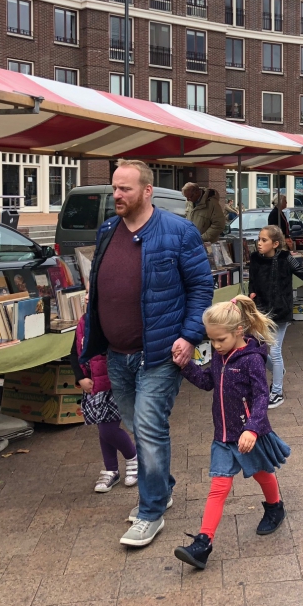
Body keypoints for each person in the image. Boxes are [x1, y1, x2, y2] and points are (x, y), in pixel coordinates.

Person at [81, 159, 214, 548]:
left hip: (158, 353)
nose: (117, 196)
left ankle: (150, 512)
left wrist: (190, 336)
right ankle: (163, 486)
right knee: (139, 428)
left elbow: (201, 289)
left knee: (151, 428)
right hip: (116, 353)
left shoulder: (179, 232)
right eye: (114, 188)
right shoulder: (108, 230)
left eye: (124, 189)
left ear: (147, 190)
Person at [173, 296, 290, 571]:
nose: (215, 346)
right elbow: (206, 383)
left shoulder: (252, 361)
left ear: (238, 331)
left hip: (250, 436)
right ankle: (203, 543)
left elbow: (262, 397)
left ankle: (275, 507)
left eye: (220, 340)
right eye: (211, 341)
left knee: (263, 474)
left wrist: (252, 429)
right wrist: (185, 365)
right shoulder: (218, 355)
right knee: (219, 487)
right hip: (223, 438)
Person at [248, 225, 303, 408]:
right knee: (257, 350)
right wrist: (252, 295)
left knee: (274, 352)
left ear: (275, 243)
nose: (259, 243)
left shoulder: (286, 258)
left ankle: (277, 392)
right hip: (260, 312)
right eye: (259, 239)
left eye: (264, 240)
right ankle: (278, 371)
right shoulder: (254, 259)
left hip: (280, 312)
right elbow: (252, 282)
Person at [71, 313, 137, 493]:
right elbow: (74, 352)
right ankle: (111, 469)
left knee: (108, 428)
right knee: (103, 426)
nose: (86, 297)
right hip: (93, 385)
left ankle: (132, 457)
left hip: (113, 383)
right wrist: (81, 377)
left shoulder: (111, 319)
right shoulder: (83, 322)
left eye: (91, 293)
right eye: (85, 293)